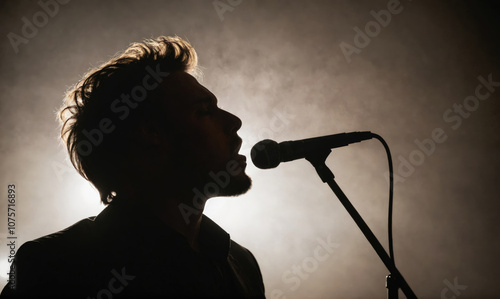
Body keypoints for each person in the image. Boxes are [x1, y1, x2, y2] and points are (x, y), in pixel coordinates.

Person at [1, 36, 265, 298]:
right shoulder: (51, 267)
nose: (234, 121)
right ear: (151, 134)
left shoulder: (241, 263)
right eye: (204, 110)